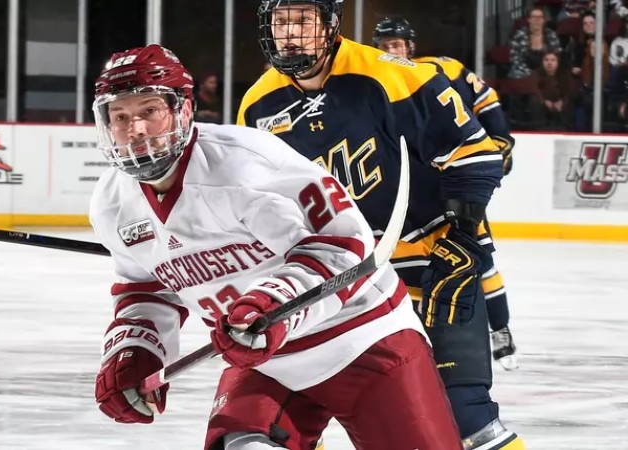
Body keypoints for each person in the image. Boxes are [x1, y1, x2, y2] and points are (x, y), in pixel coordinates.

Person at [90, 44, 464, 450]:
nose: (136, 129)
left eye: (149, 110)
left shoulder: (245, 163)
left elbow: (344, 244)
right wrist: (136, 350)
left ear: (182, 109)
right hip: (265, 362)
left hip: (364, 339)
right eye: (120, 116)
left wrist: (273, 303)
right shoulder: (112, 203)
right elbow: (147, 288)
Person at [238, 1, 524, 449]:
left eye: (303, 20)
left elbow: (475, 155)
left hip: (431, 265)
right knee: (278, 424)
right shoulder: (257, 105)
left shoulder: (394, 76)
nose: (290, 33)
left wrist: (464, 238)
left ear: (331, 25)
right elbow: (260, 203)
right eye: (280, 22)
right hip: (341, 283)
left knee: (466, 420)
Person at [372, 16, 519, 369]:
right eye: (386, 46)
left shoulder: (443, 69)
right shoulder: (372, 80)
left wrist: (499, 139)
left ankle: (500, 328)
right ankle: (421, 345)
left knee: (478, 257)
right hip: (409, 189)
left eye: (397, 44)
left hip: (451, 181)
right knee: (407, 270)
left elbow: (485, 100)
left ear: (411, 46)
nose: (392, 50)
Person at [508, 6, 561, 79]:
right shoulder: (519, 35)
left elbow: (556, 56)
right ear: (528, 20)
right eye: (534, 17)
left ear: (544, 20)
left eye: (540, 17)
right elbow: (515, 59)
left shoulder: (551, 35)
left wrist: (542, 72)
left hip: (546, 71)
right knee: (516, 73)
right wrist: (530, 73)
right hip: (523, 72)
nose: (537, 20)